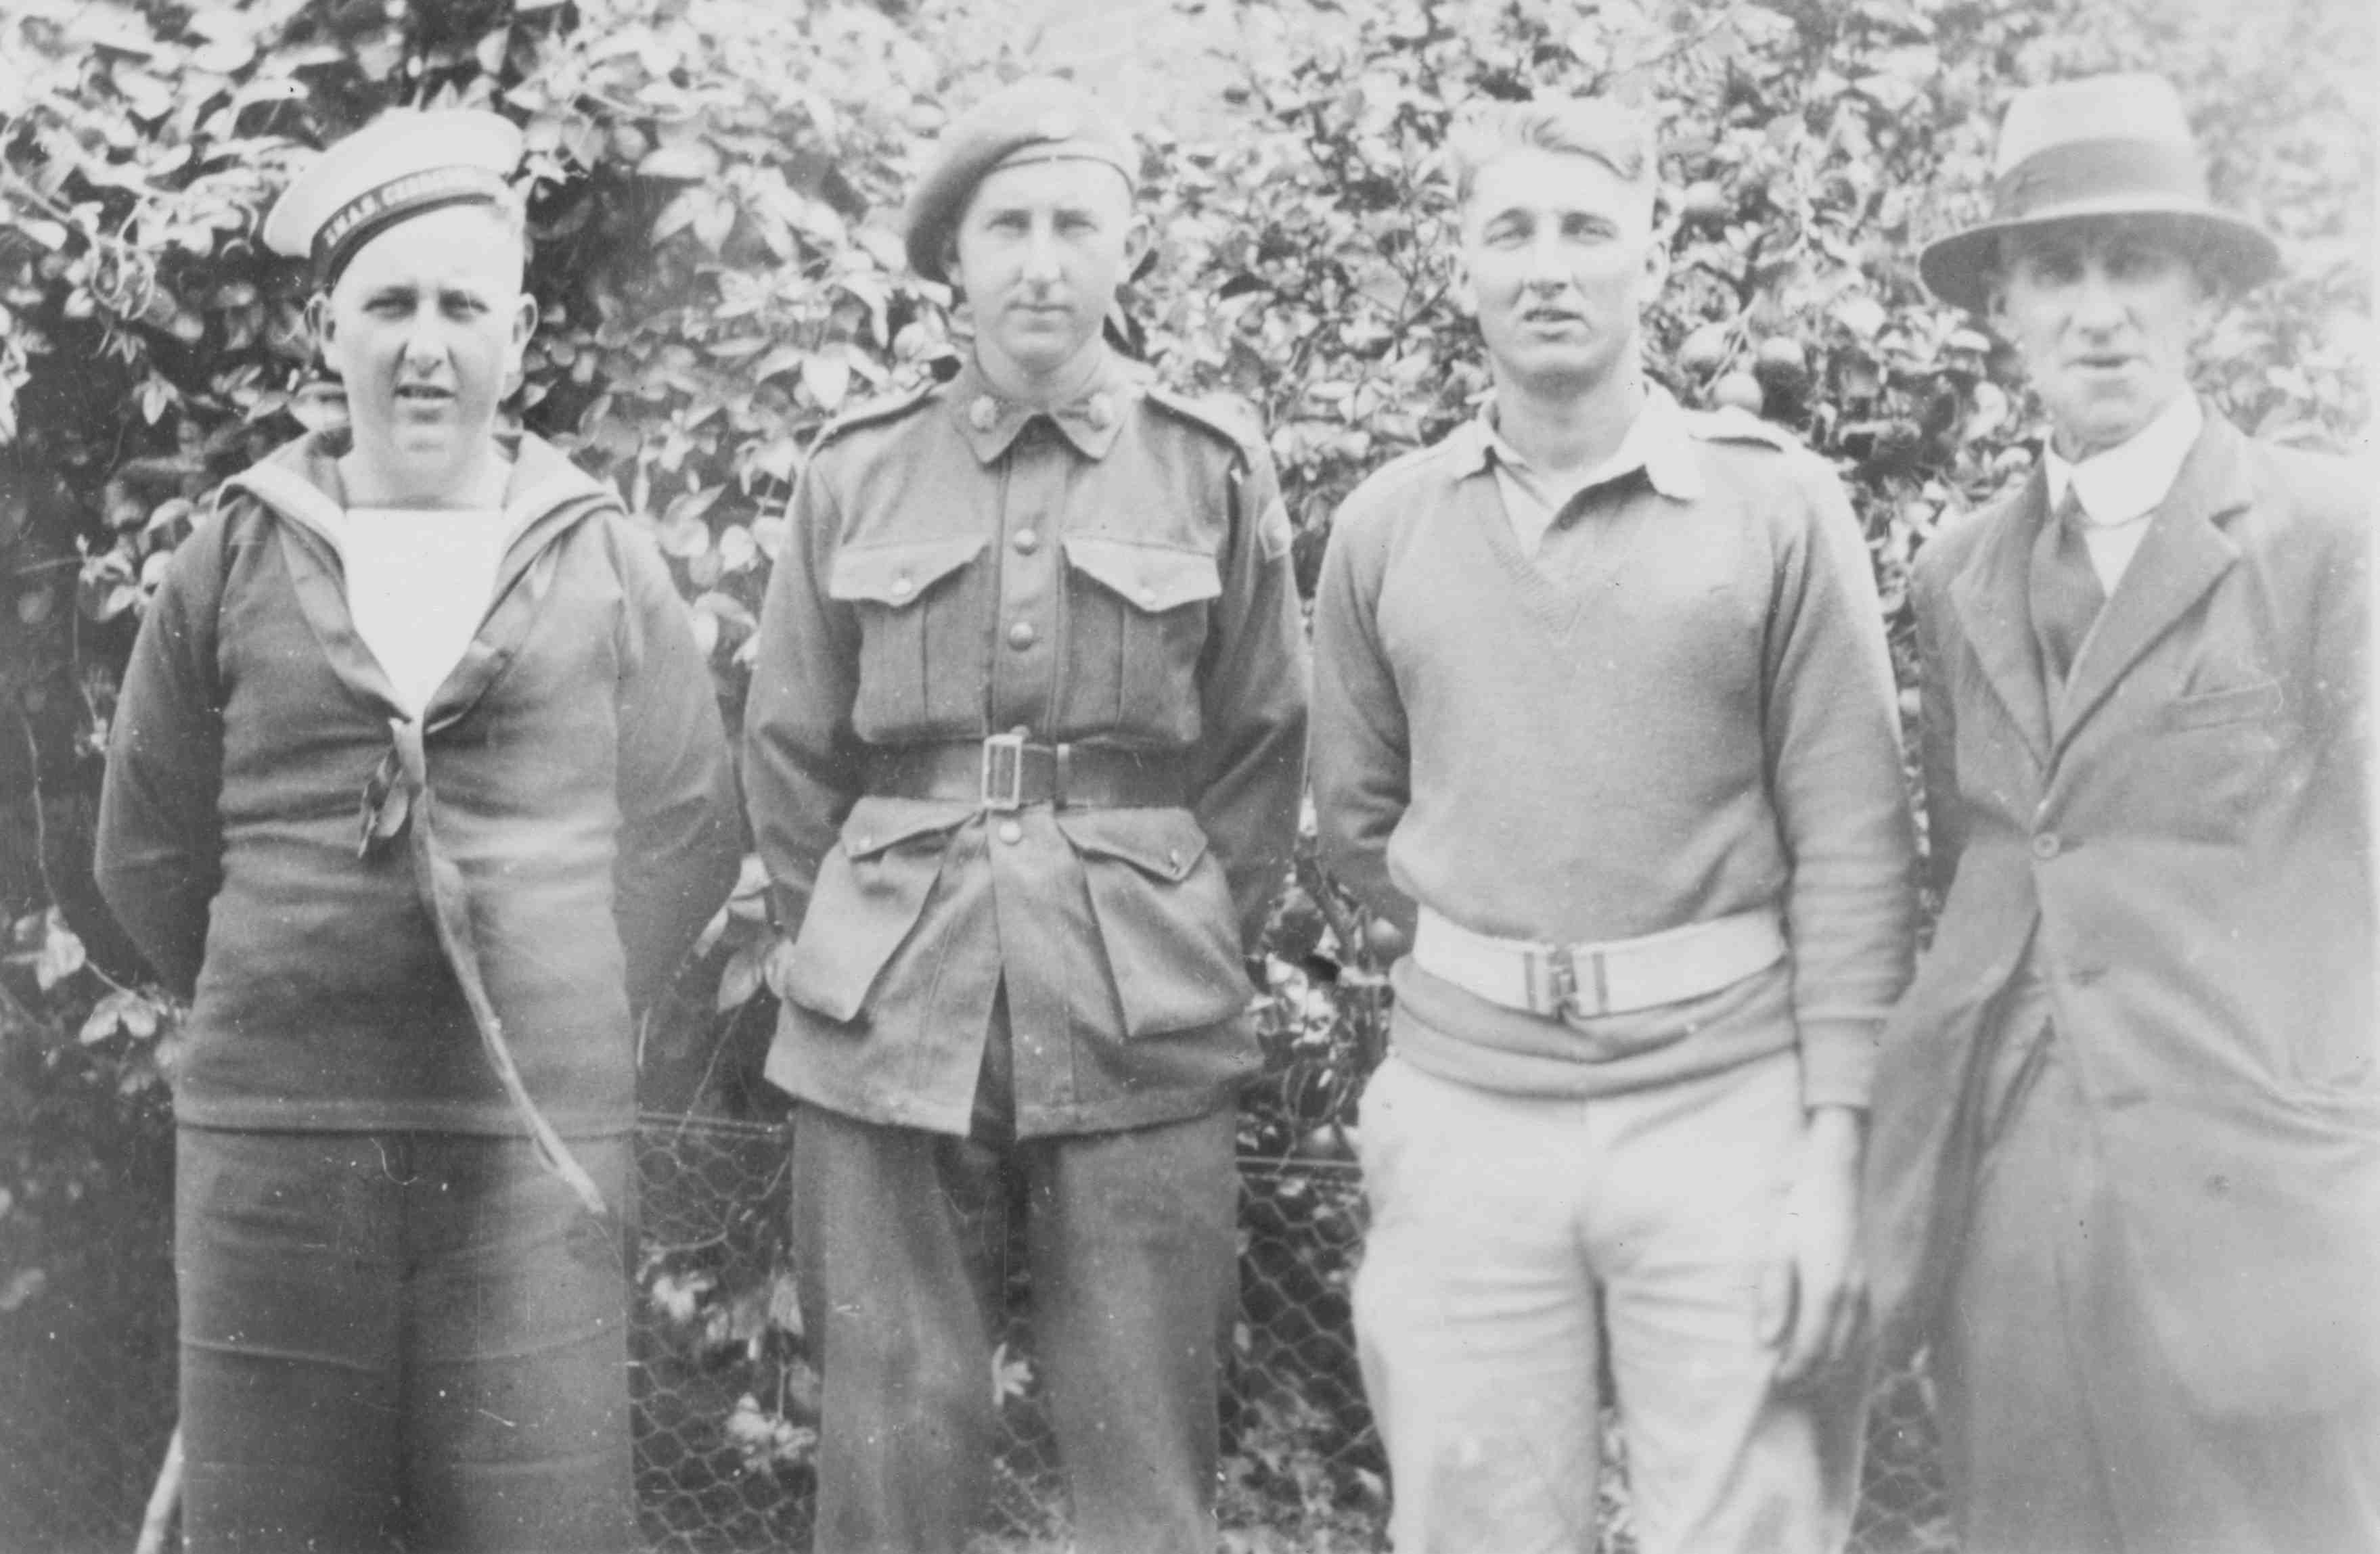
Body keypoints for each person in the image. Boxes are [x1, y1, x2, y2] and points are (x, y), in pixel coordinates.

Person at [94, 108, 740, 1553]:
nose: (425, 348)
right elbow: (145, 849)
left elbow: (688, 831)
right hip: (279, 1156)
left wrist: (548, 986)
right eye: (388, 306)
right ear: (326, 332)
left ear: (521, 335)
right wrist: (292, 986)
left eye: (462, 306)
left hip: (530, 1155)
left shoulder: (603, 555)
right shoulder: (231, 553)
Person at [1309, 97, 1917, 1554]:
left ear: (1654, 253)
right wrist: (1513, 961)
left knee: (1747, 1528)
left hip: (1728, 1112)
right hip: (1467, 1113)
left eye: (1586, 227)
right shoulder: (1386, 528)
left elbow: (1855, 850)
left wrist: (1831, 1156)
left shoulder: (1776, 507)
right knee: (1473, 1523)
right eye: (1508, 231)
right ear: (1459, 264)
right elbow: (1360, 822)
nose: (1548, 266)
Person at [741, 77, 1307, 1554]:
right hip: (889, 1000)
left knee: (1145, 1452)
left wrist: (1181, 927)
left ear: (1130, 252)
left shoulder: (1206, 465)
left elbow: (1260, 744)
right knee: (889, 1443)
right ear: (955, 258)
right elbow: (789, 746)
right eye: (1008, 227)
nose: (1042, 262)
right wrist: (845, 939)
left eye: (1075, 225)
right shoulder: (858, 468)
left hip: (1141, 1001)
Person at [1864, 72, 2379, 1554]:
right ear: (2002, 311)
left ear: (2202, 294)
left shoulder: (2326, 537)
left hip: (2257, 1203)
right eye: (2055, 270)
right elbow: (1981, 863)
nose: (2097, 312)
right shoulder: (1957, 572)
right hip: (2014, 1194)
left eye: (2134, 263)